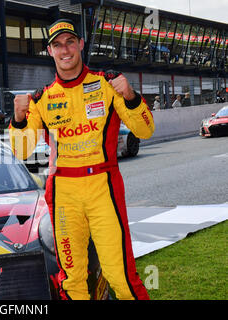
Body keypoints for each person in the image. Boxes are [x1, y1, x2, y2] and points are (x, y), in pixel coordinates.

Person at [9, 19, 154, 300]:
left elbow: (145, 129)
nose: (65, 50)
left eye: (70, 42)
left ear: (80, 45)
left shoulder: (107, 84)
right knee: (72, 280)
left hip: (103, 185)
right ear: (49, 52)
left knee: (120, 277)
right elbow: (22, 151)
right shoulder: (42, 98)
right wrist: (17, 119)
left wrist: (131, 96)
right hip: (64, 193)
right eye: (57, 45)